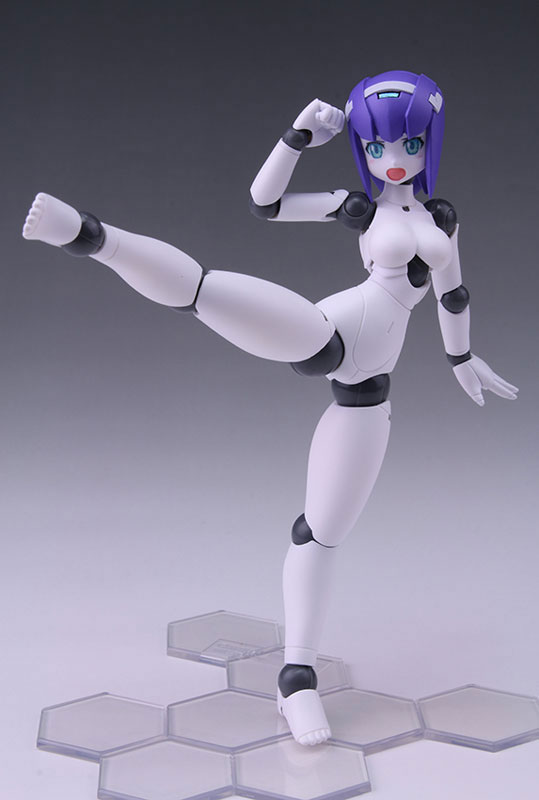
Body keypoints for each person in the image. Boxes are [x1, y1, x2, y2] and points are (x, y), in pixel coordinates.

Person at [22, 70, 518, 746]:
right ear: (362, 148)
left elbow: (452, 295)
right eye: (377, 146)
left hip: (365, 394)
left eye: (407, 142)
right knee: (203, 292)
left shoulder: (442, 220)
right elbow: (266, 203)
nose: (393, 158)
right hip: (329, 331)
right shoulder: (358, 208)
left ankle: (294, 679)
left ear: (430, 139)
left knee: (320, 534)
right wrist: (297, 136)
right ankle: (89, 234)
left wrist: (462, 357)